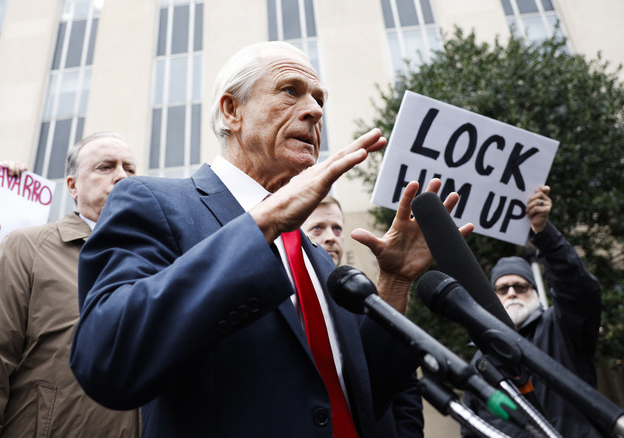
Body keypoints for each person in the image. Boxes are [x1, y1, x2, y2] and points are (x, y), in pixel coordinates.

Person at [71, 41, 470, 438]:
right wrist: (266, 219)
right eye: (290, 91)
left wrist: (395, 282)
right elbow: (108, 357)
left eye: (318, 99)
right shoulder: (152, 201)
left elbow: (361, 396)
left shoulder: (317, 258)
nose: (314, 111)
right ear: (232, 111)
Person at [0, 132, 141, 437]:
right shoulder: (27, 247)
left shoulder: (158, 259)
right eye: (106, 167)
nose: (122, 177)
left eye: (130, 169)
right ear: (73, 186)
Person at [462, 185, 602, 438]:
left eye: (521, 286)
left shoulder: (561, 328)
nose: (512, 293)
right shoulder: (480, 362)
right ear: (492, 297)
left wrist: (543, 232)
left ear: (535, 292)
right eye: (502, 289)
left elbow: (580, 290)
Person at [302, 196, 425, 437]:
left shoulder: (370, 297)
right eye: (318, 228)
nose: (330, 237)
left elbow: (404, 386)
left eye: (337, 228)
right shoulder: (287, 301)